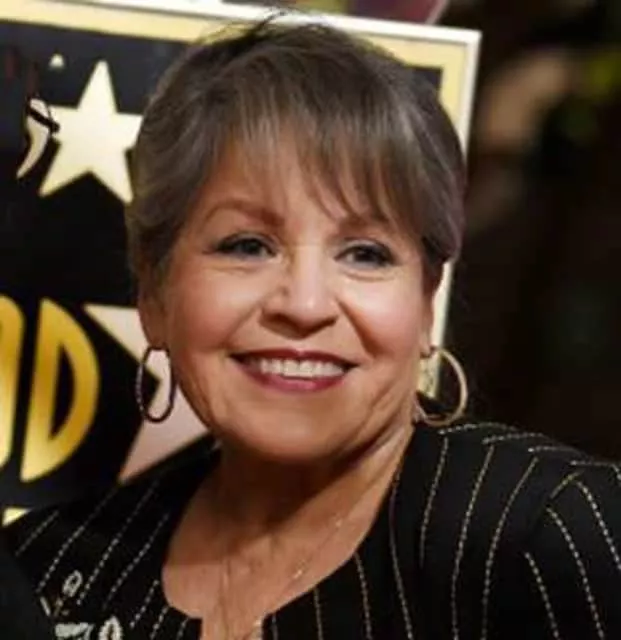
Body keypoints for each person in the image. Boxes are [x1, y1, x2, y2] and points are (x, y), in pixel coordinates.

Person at [5, 16, 621, 640]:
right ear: (154, 293)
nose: (303, 305)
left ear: (427, 298)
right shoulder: (49, 565)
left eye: (365, 254)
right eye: (247, 246)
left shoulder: (551, 531)